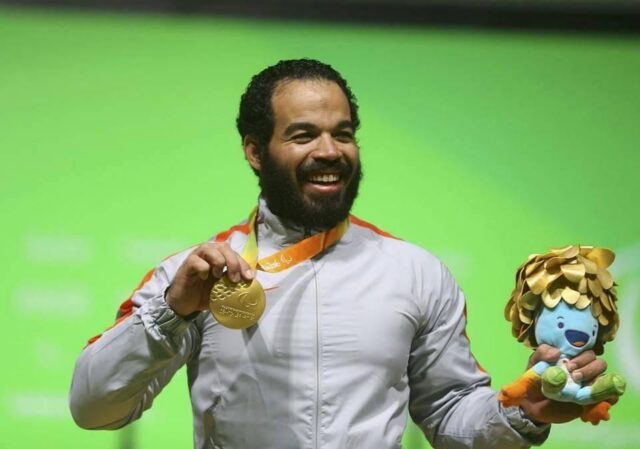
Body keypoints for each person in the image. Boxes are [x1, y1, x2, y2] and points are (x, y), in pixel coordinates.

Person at [70, 59, 607, 449]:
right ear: (255, 151)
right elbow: (93, 408)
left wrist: (522, 410)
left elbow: (449, 415)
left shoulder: (414, 272)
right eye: (303, 135)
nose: (329, 151)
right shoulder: (195, 275)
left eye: (342, 134)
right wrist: (173, 310)